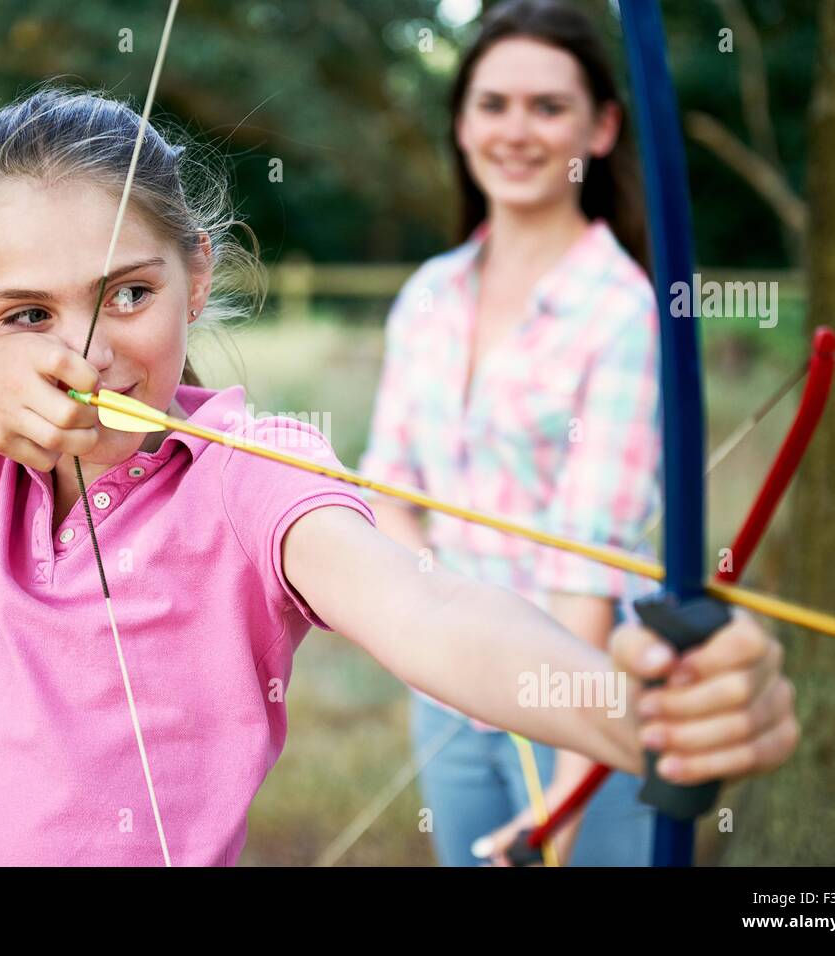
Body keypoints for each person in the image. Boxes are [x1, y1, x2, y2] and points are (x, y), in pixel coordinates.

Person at [0, 86, 798, 866]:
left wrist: (629, 710)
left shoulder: (249, 475)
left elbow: (426, 605)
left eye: (127, 293)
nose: (84, 355)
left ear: (197, 270)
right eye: (25, 312)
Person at [359, 0, 673, 866]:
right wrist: (435, 633)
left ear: (601, 127)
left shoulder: (622, 311)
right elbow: (387, 485)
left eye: (549, 107)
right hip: (449, 689)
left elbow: (586, 558)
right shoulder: (430, 291)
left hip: (571, 685)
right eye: (493, 104)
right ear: (461, 123)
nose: (517, 130)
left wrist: (570, 788)